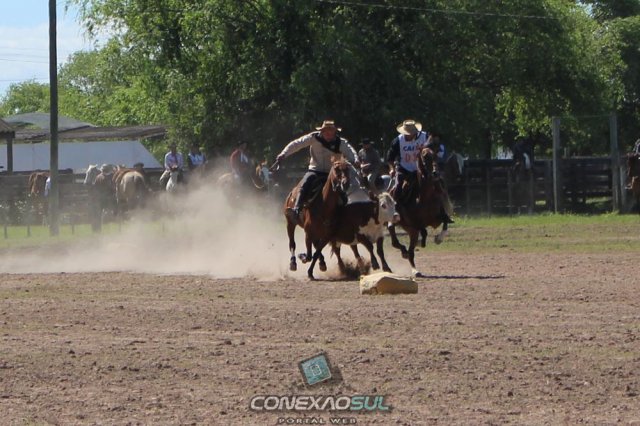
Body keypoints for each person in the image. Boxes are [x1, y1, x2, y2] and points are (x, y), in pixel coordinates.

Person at [273, 120, 359, 220]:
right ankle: (296, 210)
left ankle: (346, 216)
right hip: (315, 170)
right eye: (326, 130)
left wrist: (356, 160)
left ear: (334, 132)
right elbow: (297, 144)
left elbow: (350, 151)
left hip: (331, 173)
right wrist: (283, 154)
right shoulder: (313, 137)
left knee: (343, 191)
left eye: (331, 130)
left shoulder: (341, 142)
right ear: (322, 131)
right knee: (304, 184)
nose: (328, 133)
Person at [386, 119, 429, 203]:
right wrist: (392, 169)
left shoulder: (425, 137)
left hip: (422, 169)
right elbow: (390, 157)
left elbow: (433, 149)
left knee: (435, 183)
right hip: (404, 168)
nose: (407, 136)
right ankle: (396, 205)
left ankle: (444, 205)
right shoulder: (398, 141)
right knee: (398, 185)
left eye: (409, 134)